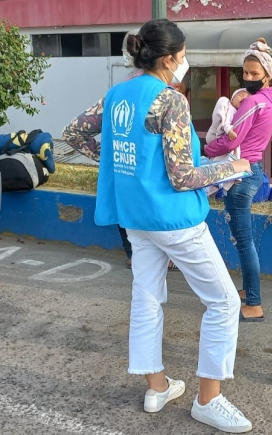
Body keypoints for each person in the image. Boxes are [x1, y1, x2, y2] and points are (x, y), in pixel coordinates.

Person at [59, 18, 253, 433]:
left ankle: (157, 386)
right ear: (169, 59)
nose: (185, 63)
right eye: (182, 57)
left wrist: (113, 162)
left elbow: (73, 132)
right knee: (223, 303)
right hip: (173, 218)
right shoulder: (170, 101)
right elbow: (183, 176)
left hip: (134, 217)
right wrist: (231, 166)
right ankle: (208, 399)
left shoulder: (117, 94)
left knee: (147, 298)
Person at [204, 38, 272, 322]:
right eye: (245, 73)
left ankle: (254, 304)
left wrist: (206, 149)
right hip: (253, 169)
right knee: (243, 239)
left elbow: (229, 141)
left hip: (240, 172)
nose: (249, 78)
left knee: (243, 240)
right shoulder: (271, 102)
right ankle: (248, 291)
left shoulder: (253, 102)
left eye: (254, 74)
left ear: (268, 75)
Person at [203, 88, 250, 195]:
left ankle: (215, 185)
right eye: (241, 95)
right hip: (219, 136)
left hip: (223, 143)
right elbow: (225, 122)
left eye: (247, 98)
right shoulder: (229, 109)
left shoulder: (240, 113)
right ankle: (213, 185)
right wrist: (229, 131)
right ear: (232, 99)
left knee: (221, 162)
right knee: (217, 164)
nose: (243, 98)